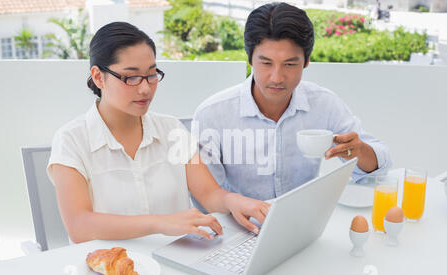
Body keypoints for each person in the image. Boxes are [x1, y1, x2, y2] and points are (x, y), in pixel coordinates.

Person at [47, 22, 270, 243]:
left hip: (177, 260)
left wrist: (235, 201)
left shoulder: (172, 129)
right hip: (107, 270)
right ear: (98, 77)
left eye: (152, 75)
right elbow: (79, 227)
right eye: (131, 77)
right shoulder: (70, 140)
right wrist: (160, 223)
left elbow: (209, 194)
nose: (145, 88)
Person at [191, 2, 392, 208]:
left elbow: (382, 165)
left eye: (289, 64)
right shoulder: (212, 114)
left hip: (302, 224)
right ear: (250, 58)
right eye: (266, 63)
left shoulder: (324, 104)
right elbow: (204, 196)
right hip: (238, 227)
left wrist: (359, 152)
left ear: (306, 61)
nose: (277, 77)